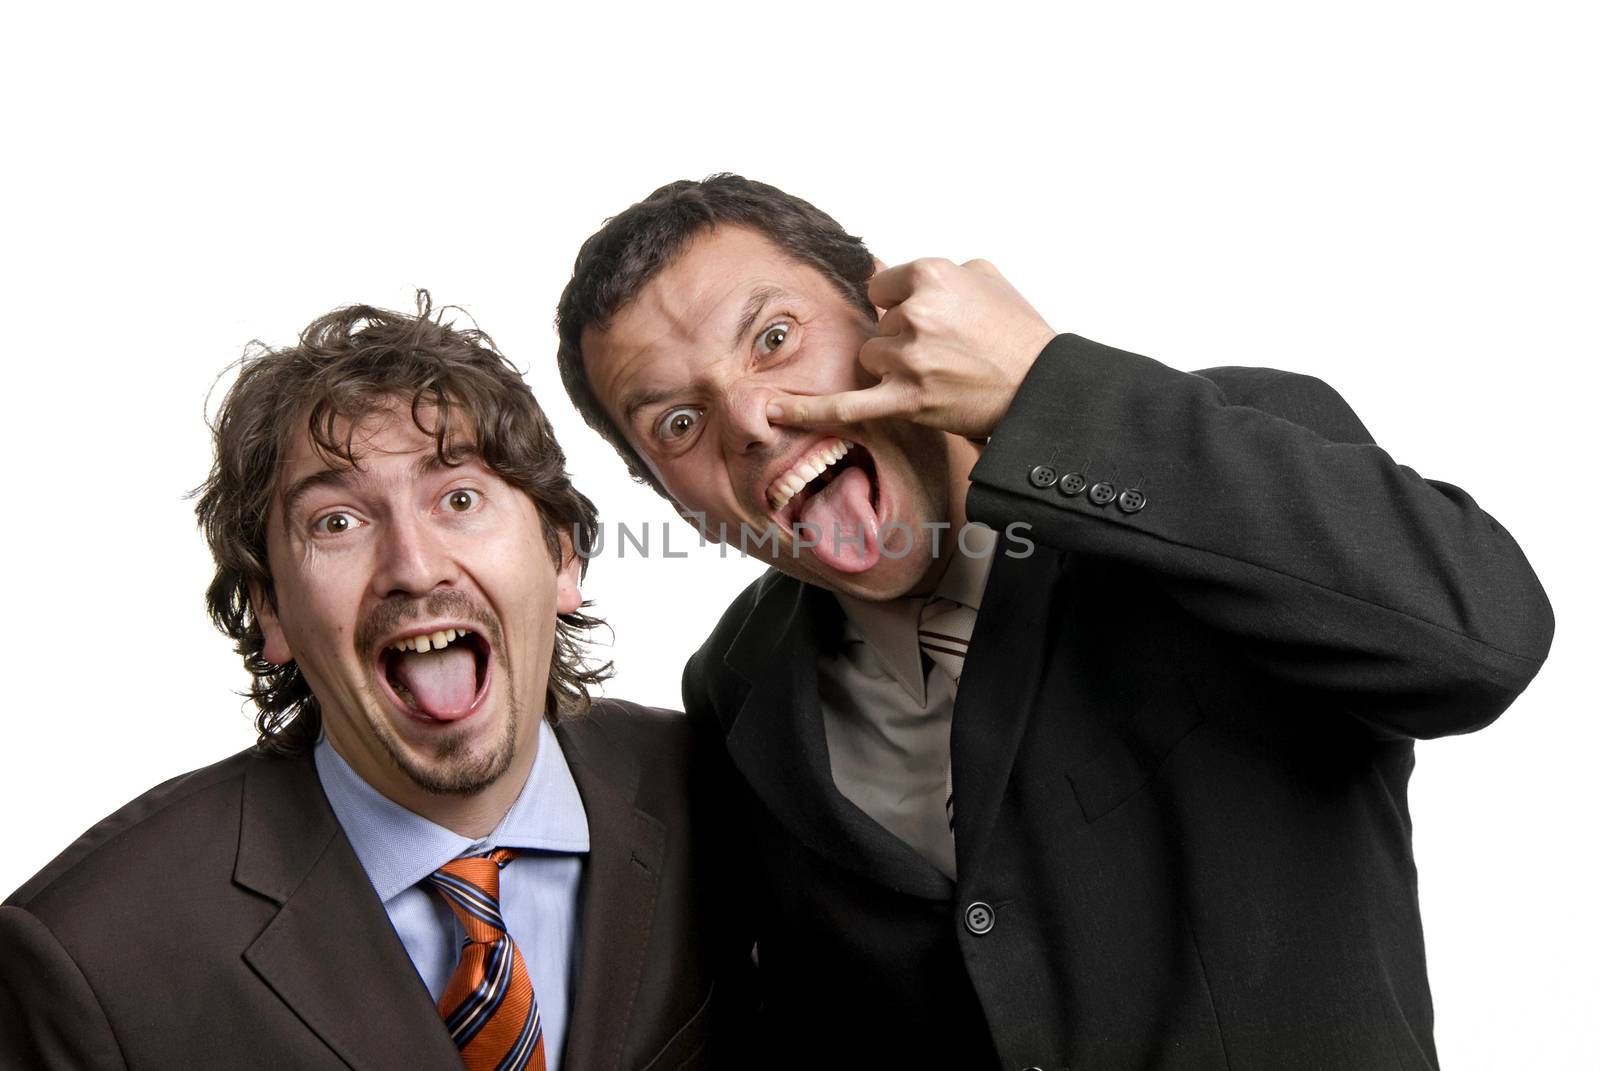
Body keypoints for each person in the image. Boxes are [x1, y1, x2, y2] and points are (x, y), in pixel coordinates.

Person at [556, 175, 1555, 1070]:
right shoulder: (737, 687)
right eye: (678, 424)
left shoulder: (1200, 462)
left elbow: (1481, 641)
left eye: (773, 337)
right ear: (666, 491)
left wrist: (1044, 384)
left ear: (889, 308)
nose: (750, 417)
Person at [0, 295, 722, 1071]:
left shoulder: (725, 787)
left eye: (460, 498)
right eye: (337, 522)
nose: (413, 565)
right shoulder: (88, 955)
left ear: (563, 557)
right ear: (269, 608)